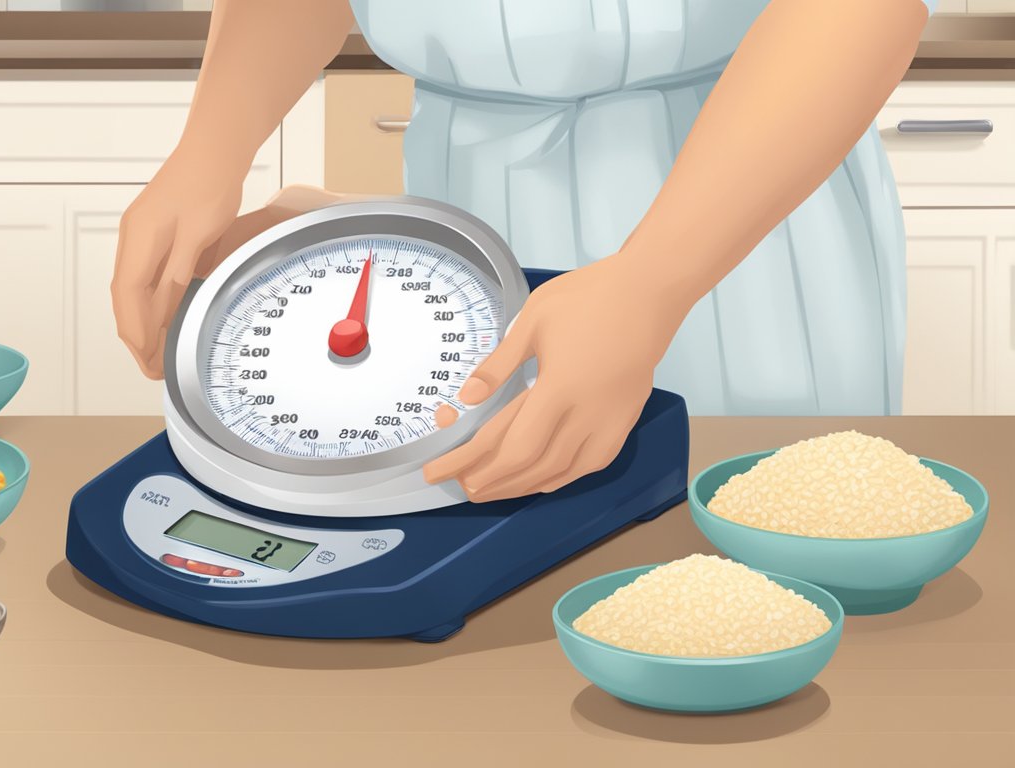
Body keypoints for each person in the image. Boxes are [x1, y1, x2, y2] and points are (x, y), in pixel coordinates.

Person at [111, 0, 935, 503]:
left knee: (751, 580)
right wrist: (208, 151)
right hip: (470, 206)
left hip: (743, 212)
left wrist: (651, 281)